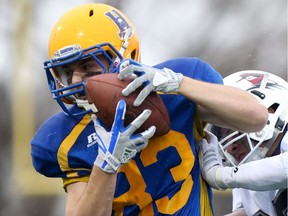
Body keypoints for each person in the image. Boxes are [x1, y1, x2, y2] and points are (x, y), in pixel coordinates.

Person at [30, 4, 268, 216]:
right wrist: (106, 164)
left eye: (88, 67)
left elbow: (256, 118)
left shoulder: (172, 91)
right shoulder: (64, 137)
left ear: (124, 55)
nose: (75, 81)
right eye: (66, 72)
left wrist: (178, 83)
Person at [198, 70, 288, 216]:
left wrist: (223, 176)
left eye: (230, 130)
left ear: (270, 111)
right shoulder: (249, 173)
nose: (230, 147)